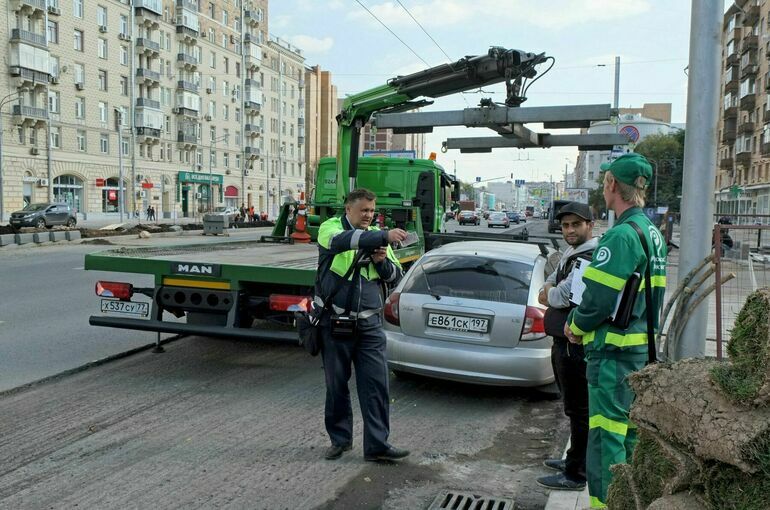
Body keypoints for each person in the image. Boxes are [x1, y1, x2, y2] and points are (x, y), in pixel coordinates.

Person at [563, 153, 667, 509]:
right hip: (639, 354)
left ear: (610, 185)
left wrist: (574, 326)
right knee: (630, 439)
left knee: (605, 442)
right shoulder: (653, 233)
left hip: (613, 357)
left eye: (604, 180)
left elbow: (597, 303)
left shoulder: (621, 236)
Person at [316, 188, 410, 462]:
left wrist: (382, 262)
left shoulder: (379, 236)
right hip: (335, 322)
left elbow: (395, 276)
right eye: (363, 210)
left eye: (372, 211)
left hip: (369, 326)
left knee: (376, 386)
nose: (369, 215)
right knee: (336, 386)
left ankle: (378, 446)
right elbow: (341, 241)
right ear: (348, 209)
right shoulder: (330, 228)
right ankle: (340, 440)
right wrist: (382, 236)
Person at [536, 202, 598, 491]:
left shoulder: (592, 255)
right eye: (565, 225)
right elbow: (549, 285)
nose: (569, 230)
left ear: (590, 225)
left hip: (576, 345)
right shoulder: (572, 253)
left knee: (580, 409)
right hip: (563, 342)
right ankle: (573, 458)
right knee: (572, 407)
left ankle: (576, 473)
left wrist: (551, 293)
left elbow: (564, 295)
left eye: (576, 224)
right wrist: (551, 292)